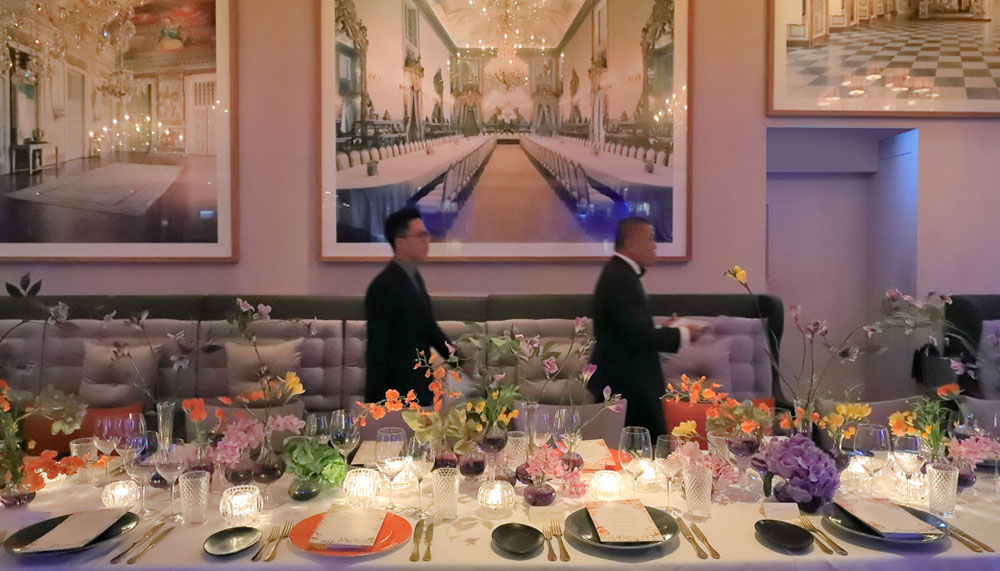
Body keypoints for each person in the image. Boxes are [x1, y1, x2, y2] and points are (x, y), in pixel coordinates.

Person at [588, 217, 707, 438]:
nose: (655, 246)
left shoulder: (620, 273)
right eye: (651, 239)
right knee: (638, 450)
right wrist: (684, 333)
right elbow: (638, 337)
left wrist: (662, 329)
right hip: (627, 387)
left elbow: (629, 329)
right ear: (631, 244)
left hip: (626, 383)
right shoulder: (621, 278)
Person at [365, 207, 451, 405]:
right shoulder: (383, 286)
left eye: (426, 235)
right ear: (400, 242)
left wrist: (459, 360)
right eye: (420, 235)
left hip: (420, 385)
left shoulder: (414, 278)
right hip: (398, 394)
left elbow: (429, 329)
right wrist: (376, 404)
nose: (426, 240)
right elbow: (376, 350)